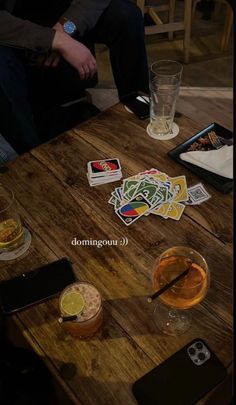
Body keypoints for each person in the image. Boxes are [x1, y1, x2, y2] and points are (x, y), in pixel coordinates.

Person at [0, 0, 149, 154]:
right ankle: (31, 156)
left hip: (60, 21)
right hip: (9, 28)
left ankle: (140, 113)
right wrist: (51, 40)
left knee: (124, 14)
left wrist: (64, 32)